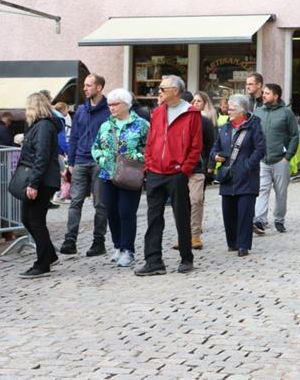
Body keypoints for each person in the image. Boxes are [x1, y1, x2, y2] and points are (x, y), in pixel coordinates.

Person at [136, 75, 202, 276]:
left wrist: (185, 170)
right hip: (155, 171)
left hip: (177, 173)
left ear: (175, 90)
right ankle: (153, 260)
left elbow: (196, 145)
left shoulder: (191, 113)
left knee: (181, 216)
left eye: (163, 88)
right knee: (153, 218)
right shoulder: (157, 112)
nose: (159, 92)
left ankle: (186, 257)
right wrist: (148, 164)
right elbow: (151, 141)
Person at [91, 89, 149, 268]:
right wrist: (101, 158)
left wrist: (136, 157)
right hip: (108, 174)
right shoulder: (106, 125)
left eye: (115, 104)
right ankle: (118, 246)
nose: (111, 108)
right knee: (111, 212)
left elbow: (150, 148)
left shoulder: (141, 124)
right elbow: (95, 146)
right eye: (109, 105)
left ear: (126, 105)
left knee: (126, 212)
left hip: (130, 175)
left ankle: (128, 249)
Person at [59, 74, 110, 257]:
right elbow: (74, 137)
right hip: (80, 160)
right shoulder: (81, 110)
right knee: (75, 201)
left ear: (99, 87)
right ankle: (70, 240)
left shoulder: (108, 110)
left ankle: (98, 241)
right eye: (85, 85)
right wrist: (71, 162)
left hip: (99, 162)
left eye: (89, 85)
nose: (85, 88)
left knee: (100, 204)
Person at [211, 94, 266, 256]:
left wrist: (248, 165)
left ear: (242, 111)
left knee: (244, 212)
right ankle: (232, 242)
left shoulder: (254, 126)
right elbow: (215, 147)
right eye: (229, 108)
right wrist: (215, 156)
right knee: (228, 212)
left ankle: (243, 245)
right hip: (228, 177)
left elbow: (260, 149)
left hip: (247, 177)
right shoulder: (225, 128)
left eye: (232, 109)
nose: (229, 111)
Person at [17, 93, 62, 278]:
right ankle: (49, 255)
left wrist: (33, 183)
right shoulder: (41, 125)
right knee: (29, 219)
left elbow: (41, 156)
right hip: (42, 179)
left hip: (42, 180)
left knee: (34, 220)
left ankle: (43, 262)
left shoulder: (43, 126)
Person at [253, 83, 299, 235]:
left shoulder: (286, 113)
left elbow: (294, 136)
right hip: (262, 160)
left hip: (280, 160)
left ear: (275, 96)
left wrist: (288, 157)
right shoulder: (258, 111)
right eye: (263, 93)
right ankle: (259, 220)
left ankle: (279, 220)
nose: (263, 95)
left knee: (281, 192)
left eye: (267, 93)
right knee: (262, 190)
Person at [186, 91, 217, 249]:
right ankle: (183, 234)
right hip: (179, 168)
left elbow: (211, 145)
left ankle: (195, 234)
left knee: (197, 200)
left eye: (198, 101)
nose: (194, 104)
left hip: (198, 167)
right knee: (183, 202)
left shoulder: (205, 122)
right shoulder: (178, 121)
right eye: (193, 101)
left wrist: (209, 166)